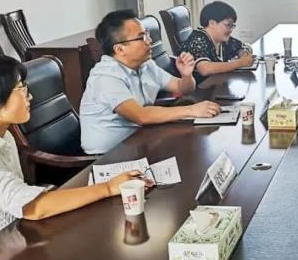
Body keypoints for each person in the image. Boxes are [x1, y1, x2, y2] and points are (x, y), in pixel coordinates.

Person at [0, 55, 147, 254]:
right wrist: (108, 188)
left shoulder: (2, 136)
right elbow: (33, 208)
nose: (30, 96)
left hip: (9, 240)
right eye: (21, 89)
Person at [79, 10, 221, 154]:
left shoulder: (146, 65)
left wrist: (186, 76)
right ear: (120, 49)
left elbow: (183, 88)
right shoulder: (105, 77)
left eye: (147, 34)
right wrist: (191, 110)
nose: (149, 40)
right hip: (107, 157)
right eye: (141, 37)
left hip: (139, 142)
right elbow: (141, 116)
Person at [179, 1, 255, 84]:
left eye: (232, 26)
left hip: (216, 85)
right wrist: (239, 63)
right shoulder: (198, 40)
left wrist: (243, 54)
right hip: (199, 89)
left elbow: (241, 47)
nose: (231, 30)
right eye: (228, 25)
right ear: (212, 23)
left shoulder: (222, 39)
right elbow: (205, 69)